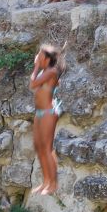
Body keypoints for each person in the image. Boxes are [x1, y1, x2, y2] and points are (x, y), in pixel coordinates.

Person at [29, 43, 65, 195]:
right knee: (39, 147)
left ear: (47, 59)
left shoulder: (51, 71)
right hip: (39, 113)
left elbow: (32, 84)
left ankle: (53, 184)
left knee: (47, 148)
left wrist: (36, 66)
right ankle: (45, 182)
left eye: (40, 55)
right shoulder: (45, 72)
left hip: (48, 113)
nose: (37, 57)